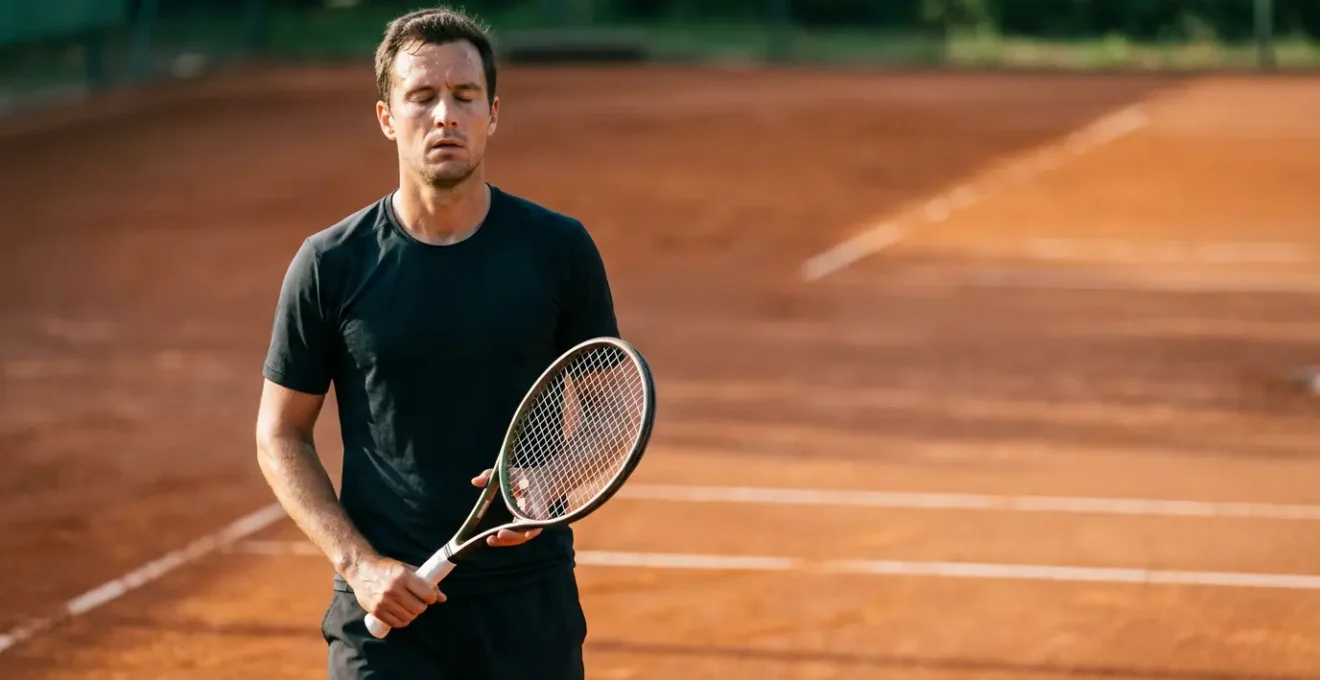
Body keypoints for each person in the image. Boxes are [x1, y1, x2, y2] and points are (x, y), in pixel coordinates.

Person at [254, 6, 619, 679]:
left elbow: (605, 408)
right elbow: (280, 433)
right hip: (388, 616)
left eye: (464, 96)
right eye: (422, 97)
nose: (444, 115)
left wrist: (554, 477)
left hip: (526, 607)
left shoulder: (558, 250)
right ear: (388, 117)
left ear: (493, 113)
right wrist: (358, 565)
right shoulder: (330, 264)